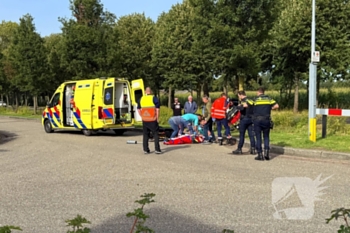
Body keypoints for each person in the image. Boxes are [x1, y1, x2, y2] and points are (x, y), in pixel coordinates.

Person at [252, 87, 279, 161]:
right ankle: (266, 153)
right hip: (266, 119)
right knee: (266, 136)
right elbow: (277, 106)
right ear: (263, 92)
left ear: (258, 92)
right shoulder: (269, 99)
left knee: (258, 137)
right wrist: (270, 108)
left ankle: (260, 154)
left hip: (257, 120)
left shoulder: (255, 99)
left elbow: (250, 106)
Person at [137, 87, 162, 154]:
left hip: (145, 119)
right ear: (150, 91)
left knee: (145, 135)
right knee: (155, 134)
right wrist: (157, 117)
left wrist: (142, 116)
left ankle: (145, 149)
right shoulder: (153, 98)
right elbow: (157, 109)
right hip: (152, 119)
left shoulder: (141, 99)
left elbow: (138, 109)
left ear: (145, 91)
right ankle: (157, 149)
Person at [232, 90, 256, 155]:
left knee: (242, 135)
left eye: (239, 96)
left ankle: (239, 149)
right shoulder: (251, 100)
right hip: (251, 119)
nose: (239, 97)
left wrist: (237, 107)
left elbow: (243, 107)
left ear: (241, 95)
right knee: (251, 135)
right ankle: (253, 149)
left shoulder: (244, 101)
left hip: (244, 119)